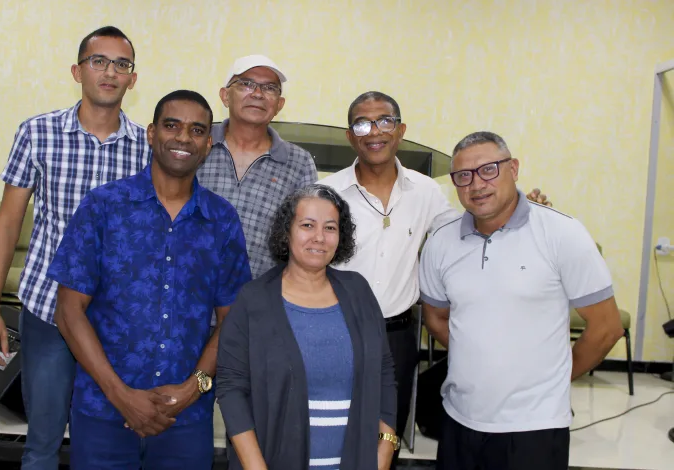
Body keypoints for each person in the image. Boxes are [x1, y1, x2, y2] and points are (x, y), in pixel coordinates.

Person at [319, 91, 551, 465]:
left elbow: (468, 233)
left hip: (395, 338)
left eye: (385, 121)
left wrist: (521, 212)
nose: (374, 131)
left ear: (401, 131)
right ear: (350, 135)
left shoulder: (426, 191)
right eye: (362, 123)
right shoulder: (329, 193)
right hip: (334, 331)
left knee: (386, 436)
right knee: (329, 428)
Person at [46, 90, 252, 469]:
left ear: (208, 143)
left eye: (196, 130)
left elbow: (233, 322)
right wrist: (121, 394)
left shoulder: (221, 220)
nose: (182, 138)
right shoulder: (104, 206)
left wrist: (193, 388)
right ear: (151, 133)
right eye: (172, 126)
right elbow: (69, 312)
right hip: (103, 410)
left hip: (185, 420)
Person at [0, 26, 149, 469]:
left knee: (109, 441)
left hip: (114, 319)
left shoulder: (145, 149)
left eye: (121, 64)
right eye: (99, 61)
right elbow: (8, 222)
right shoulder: (37, 133)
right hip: (47, 309)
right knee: (43, 442)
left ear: (133, 78)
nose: (109, 72)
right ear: (78, 71)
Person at [418, 131, 624, 470]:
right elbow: (437, 318)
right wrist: (480, 361)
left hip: (535, 426)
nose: (476, 184)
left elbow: (606, 327)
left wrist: (555, 377)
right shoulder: (441, 242)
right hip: (459, 418)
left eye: (488, 169)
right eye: (463, 176)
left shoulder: (562, 234)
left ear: (513, 168)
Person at [217, 184, 398, 470]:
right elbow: (231, 388)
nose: (319, 238)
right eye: (307, 225)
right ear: (286, 232)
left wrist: (386, 446)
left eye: (330, 227)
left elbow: (385, 371)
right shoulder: (253, 299)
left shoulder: (358, 292)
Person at [197, 54, 318, 279]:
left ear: (279, 104)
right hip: (185, 296)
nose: (258, 94)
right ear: (225, 96)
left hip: (258, 302)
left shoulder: (298, 163)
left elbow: (306, 238)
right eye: (246, 84)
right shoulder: (197, 143)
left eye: (270, 88)